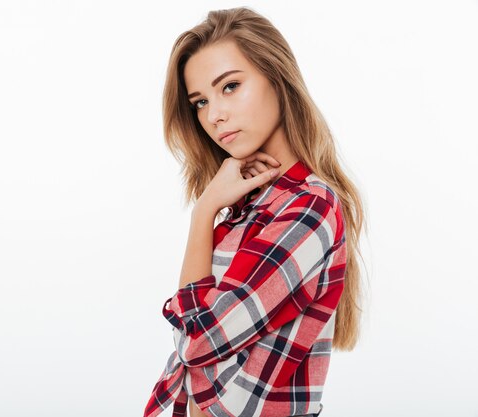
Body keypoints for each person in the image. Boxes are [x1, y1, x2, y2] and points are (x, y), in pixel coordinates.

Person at [143, 6, 365, 417]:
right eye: (199, 102)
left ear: (277, 79)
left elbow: (195, 342)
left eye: (230, 86)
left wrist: (203, 211)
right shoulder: (246, 209)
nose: (214, 115)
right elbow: (195, 356)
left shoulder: (309, 208)